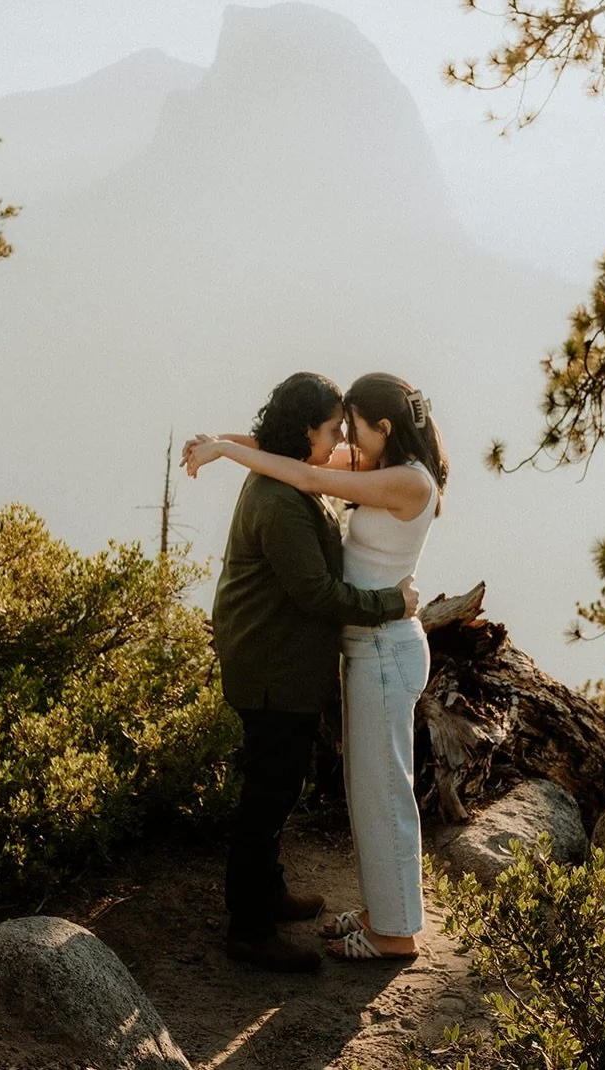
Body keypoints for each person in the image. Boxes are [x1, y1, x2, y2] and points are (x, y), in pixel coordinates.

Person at [185, 371, 447, 962]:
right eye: (335, 427)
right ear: (307, 430)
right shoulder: (297, 488)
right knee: (300, 792)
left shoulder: (399, 478)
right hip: (314, 658)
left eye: (351, 427)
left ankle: (392, 925)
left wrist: (226, 449)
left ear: (383, 428)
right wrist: (221, 443)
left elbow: (303, 467)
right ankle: (258, 924)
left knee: (375, 792)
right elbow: (293, 468)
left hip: (378, 649)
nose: (343, 438)